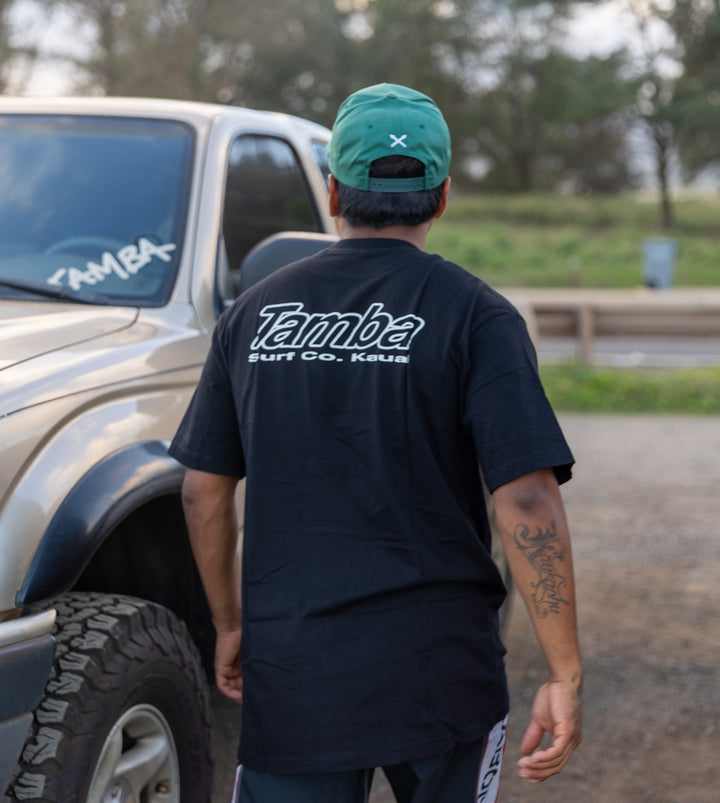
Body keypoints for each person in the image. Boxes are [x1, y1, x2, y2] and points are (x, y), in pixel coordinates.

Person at [170, 82, 582, 803]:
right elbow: (524, 493)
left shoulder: (252, 315)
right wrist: (564, 670)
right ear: (443, 196)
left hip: (296, 669)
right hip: (440, 667)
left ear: (333, 191)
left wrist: (231, 623)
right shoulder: (478, 315)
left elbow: (203, 488)